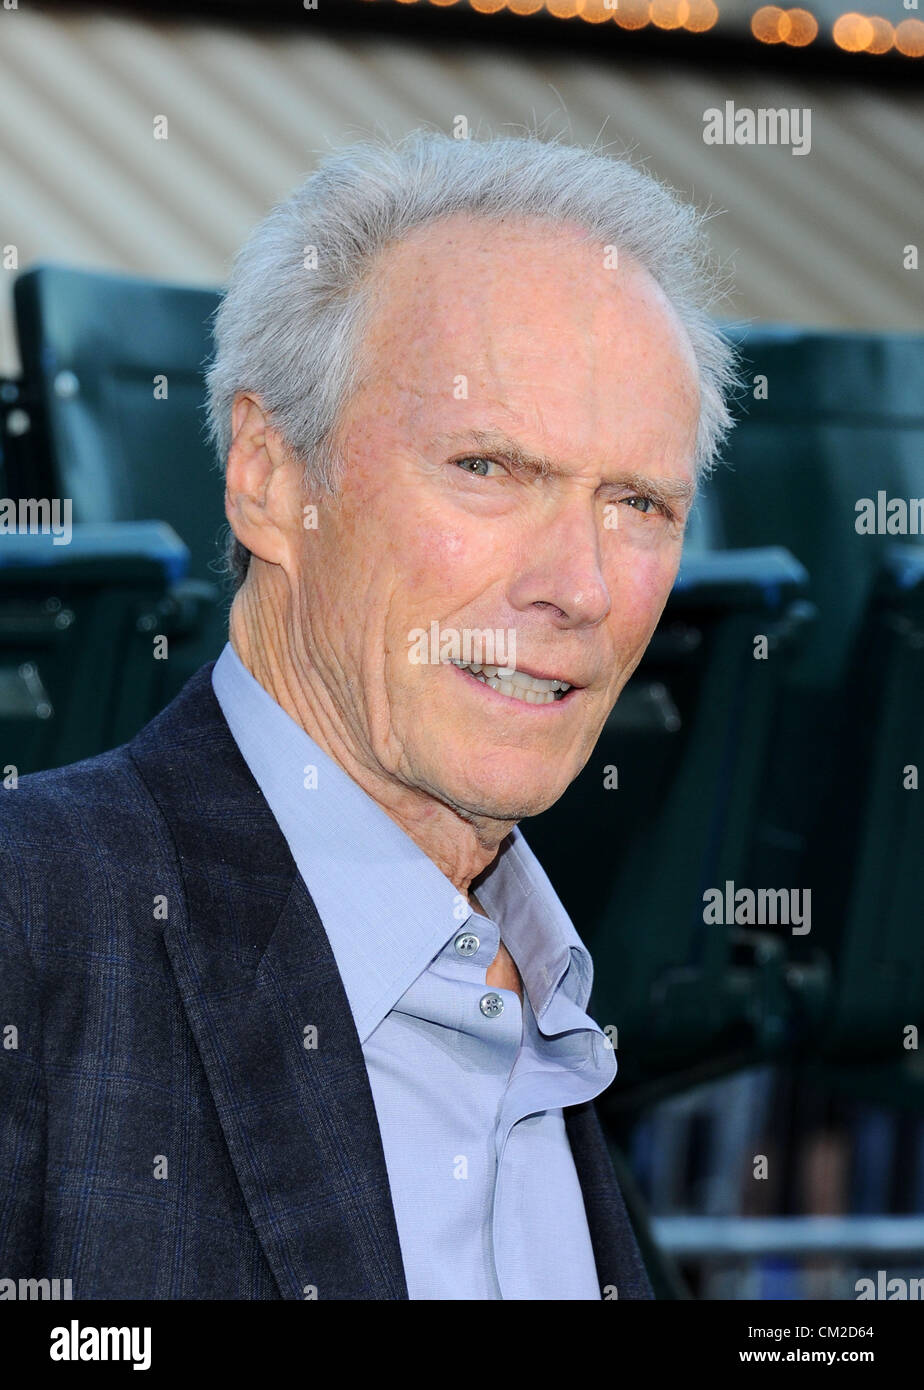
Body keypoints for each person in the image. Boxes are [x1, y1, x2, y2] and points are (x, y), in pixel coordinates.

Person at [0, 130, 738, 1300]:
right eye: (489, 468)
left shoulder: (558, 1011)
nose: (582, 585)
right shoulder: (33, 929)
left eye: (638, 501)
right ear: (270, 479)